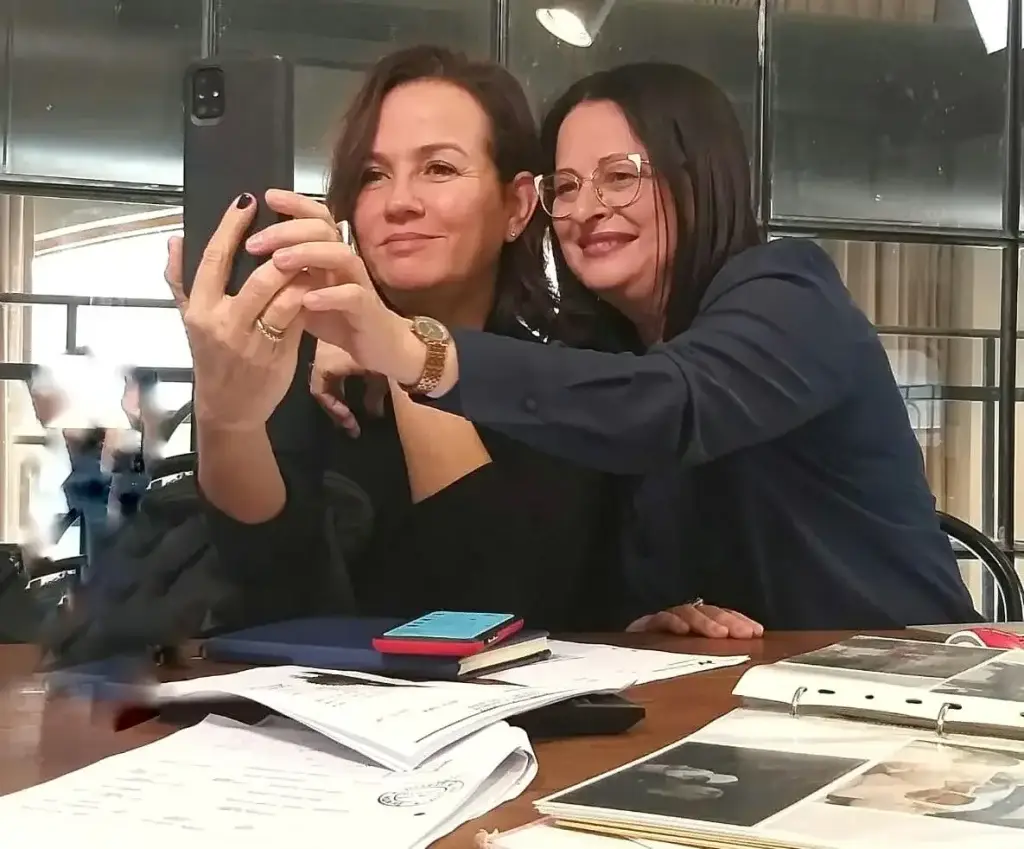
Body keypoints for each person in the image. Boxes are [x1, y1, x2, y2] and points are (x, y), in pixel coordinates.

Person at [279, 61, 980, 633]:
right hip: (739, 701)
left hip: (912, 681)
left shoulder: (789, 292)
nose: (586, 210)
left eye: (620, 177)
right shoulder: (600, 355)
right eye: (566, 187)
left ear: (697, 177)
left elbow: (672, 406)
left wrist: (407, 346)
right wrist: (645, 619)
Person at [165, 46, 620, 631]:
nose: (400, 202)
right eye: (373, 175)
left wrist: (397, 347)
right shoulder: (303, 363)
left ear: (516, 205)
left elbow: (493, 605)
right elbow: (269, 584)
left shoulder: (564, 370)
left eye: (439, 169)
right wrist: (226, 414)